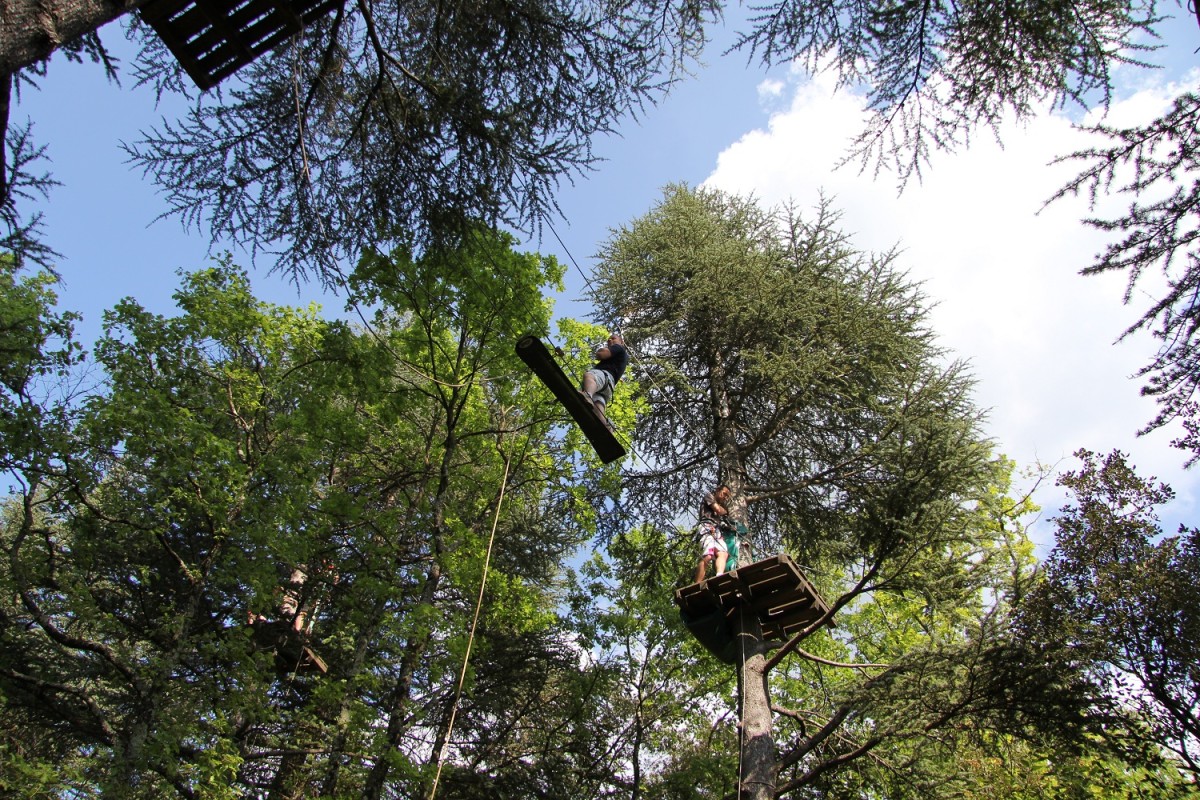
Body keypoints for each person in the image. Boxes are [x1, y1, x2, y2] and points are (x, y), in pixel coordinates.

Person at [580, 333, 629, 430]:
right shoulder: (620, 357)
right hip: (607, 388)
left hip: (604, 377)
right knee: (598, 410)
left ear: (622, 342)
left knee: (589, 376)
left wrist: (600, 351)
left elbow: (601, 354)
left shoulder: (618, 348)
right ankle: (607, 427)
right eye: (608, 340)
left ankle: (588, 394)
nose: (610, 340)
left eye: (613, 338)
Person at [695, 484, 733, 583]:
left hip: (717, 530)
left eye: (727, 496)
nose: (725, 497)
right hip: (706, 527)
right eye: (724, 494)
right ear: (717, 490)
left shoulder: (721, 504)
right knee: (708, 556)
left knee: (723, 553)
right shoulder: (709, 496)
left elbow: (722, 511)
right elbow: (718, 510)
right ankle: (698, 583)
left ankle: (719, 575)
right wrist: (724, 511)